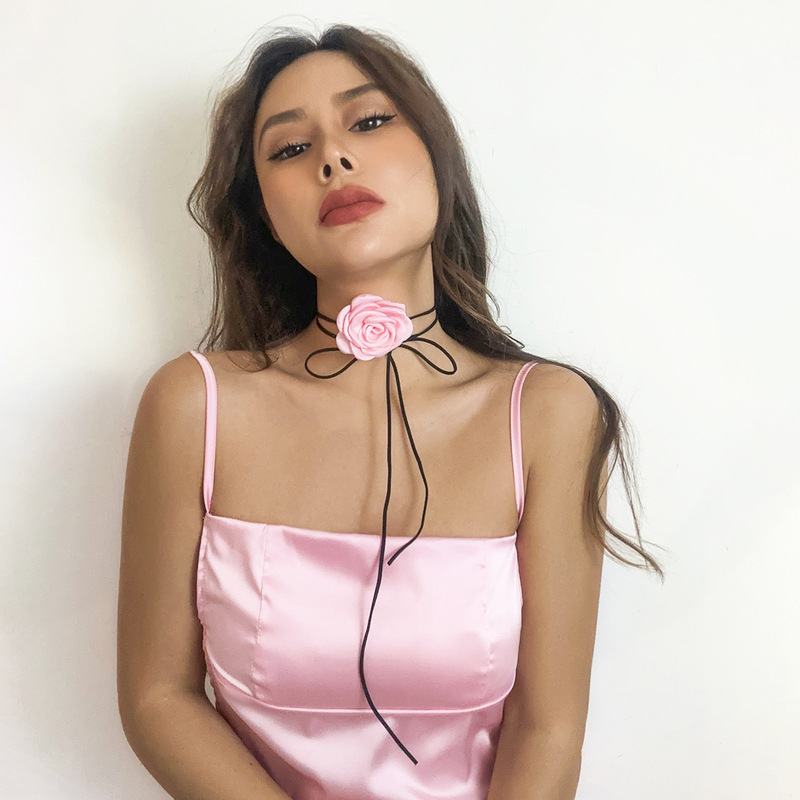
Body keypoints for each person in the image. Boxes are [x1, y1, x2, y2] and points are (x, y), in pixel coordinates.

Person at [117, 23, 663, 800]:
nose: (333, 159)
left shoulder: (547, 414)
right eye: (289, 148)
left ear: (439, 156)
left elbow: (548, 728)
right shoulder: (193, 406)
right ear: (264, 211)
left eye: (369, 121)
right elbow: (157, 699)